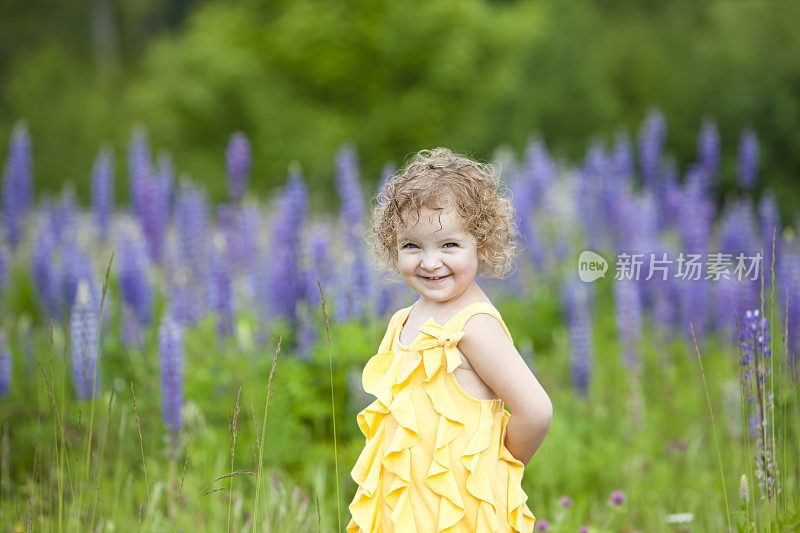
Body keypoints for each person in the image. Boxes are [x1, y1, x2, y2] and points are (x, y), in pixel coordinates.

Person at [346, 148, 553, 532]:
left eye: (449, 245)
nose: (429, 262)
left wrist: (498, 468)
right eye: (412, 245)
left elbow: (536, 411)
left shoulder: (474, 326)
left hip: (460, 510)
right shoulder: (403, 320)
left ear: (483, 244)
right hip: (404, 505)